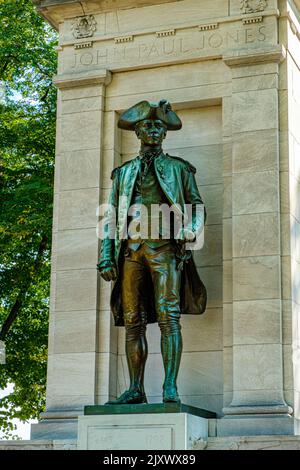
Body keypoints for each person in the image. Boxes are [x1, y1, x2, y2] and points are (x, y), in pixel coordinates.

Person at [97, 99, 207, 405]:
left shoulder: (178, 168)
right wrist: (106, 255)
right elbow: (109, 218)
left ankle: (170, 387)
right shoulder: (123, 173)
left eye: (159, 126)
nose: (154, 130)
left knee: (168, 318)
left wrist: (191, 229)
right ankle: (136, 389)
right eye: (148, 125)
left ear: (165, 133)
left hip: (165, 250)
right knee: (133, 321)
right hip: (131, 252)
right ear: (137, 131)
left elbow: (197, 206)